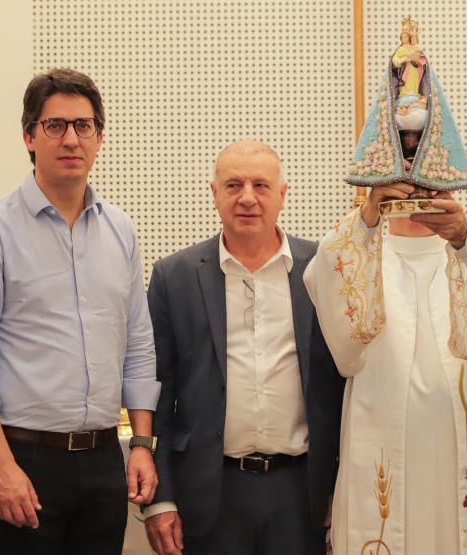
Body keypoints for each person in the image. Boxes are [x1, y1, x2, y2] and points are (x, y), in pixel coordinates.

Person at [0, 68, 160, 554]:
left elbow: (138, 345)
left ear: (99, 138)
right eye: (55, 125)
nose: (71, 138)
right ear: (29, 136)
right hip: (22, 458)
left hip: (105, 457)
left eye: (83, 126)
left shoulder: (121, 232)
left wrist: (142, 447)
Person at [143, 140, 345, 555]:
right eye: (234, 185)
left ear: (283, 194)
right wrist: (160, 499)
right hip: (209, 492)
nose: (247, 198)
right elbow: (158, 393)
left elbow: (345, 385)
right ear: (213, 193)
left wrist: (342, 484)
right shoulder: (173, 277)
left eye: (261, 185)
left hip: (301, 491)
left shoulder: (325, 269)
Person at [304, 183, 467, 554]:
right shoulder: (361, 254)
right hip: (384, 460)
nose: (413, 195)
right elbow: (323, 278)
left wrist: (464, 238)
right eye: (402, 182)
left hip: (459, 458)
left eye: (426, 184)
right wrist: (367, 218)